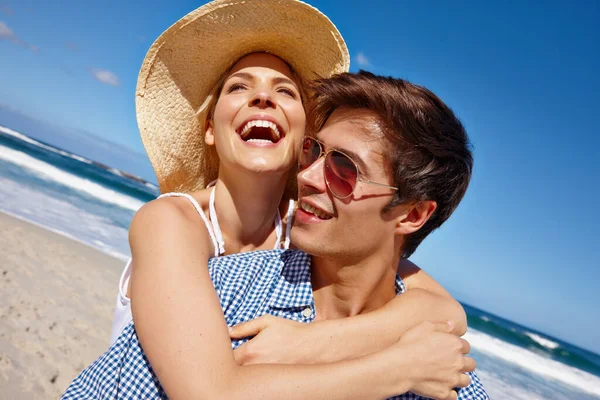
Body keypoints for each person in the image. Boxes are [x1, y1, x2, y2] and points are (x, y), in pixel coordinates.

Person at [62, 69, 488, 400]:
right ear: (209, 128)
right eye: (315, 151)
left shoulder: (443, 369)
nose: (310, 176)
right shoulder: (216, 290)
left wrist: (318, 345)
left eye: (344, 169)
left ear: (412, 214)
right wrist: (393, 368)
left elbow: (442, 308)